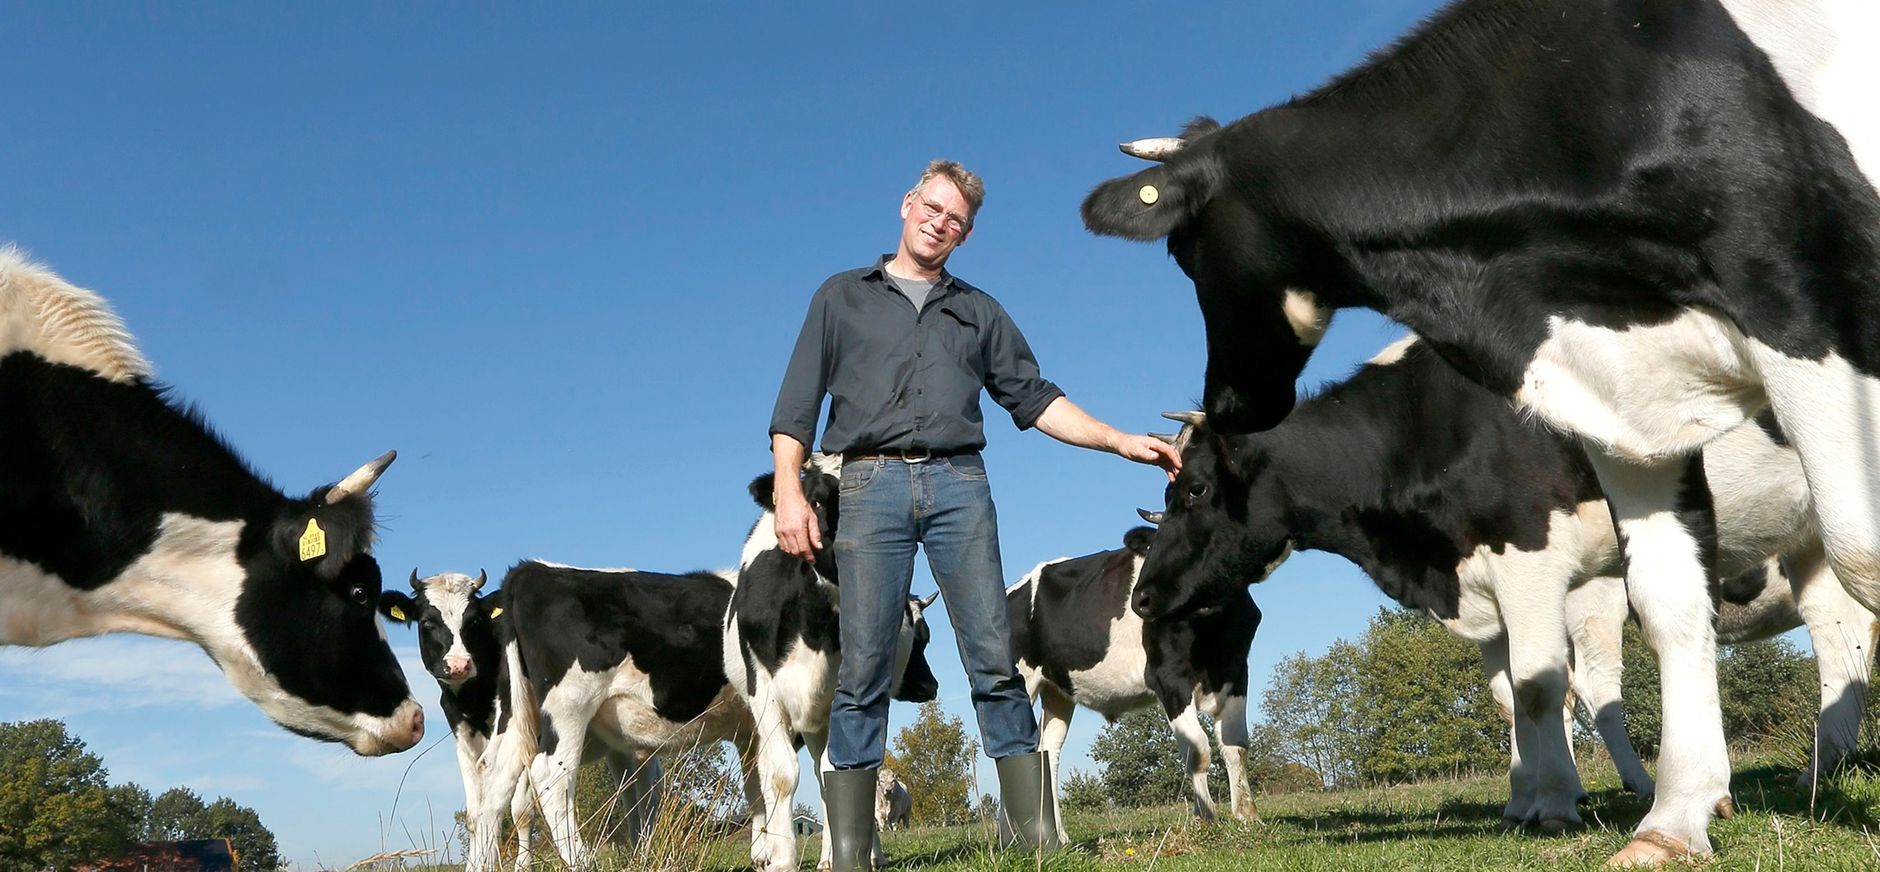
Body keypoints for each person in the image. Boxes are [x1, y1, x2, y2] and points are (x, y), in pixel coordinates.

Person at [767, 159, 1180, 870]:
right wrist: (788, 488)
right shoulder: (841, 297)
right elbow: (797, 405)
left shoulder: (979, 311)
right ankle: (851, 855)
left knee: (992, 658)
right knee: (863, 669)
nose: (939, 223)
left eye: (955, 219)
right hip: (868, 486)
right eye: (931, 207)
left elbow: (1035, 398)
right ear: (906, 204)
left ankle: (1028, 844)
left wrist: (1119, 441)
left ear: (965, 234)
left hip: (961, 485)